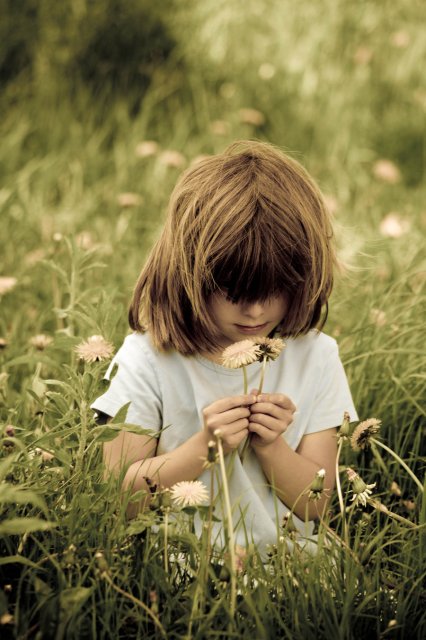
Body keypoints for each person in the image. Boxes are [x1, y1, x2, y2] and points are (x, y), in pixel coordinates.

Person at [92, 140, 358, 554]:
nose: (254, 310)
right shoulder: (147, 360)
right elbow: (118, 497)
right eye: (232, 290)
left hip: (292, 570)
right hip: (181, 574)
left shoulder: (316, 357)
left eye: (275, 289)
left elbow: (318, 504)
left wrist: (272, 446)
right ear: (189, 274)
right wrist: (204, 447)